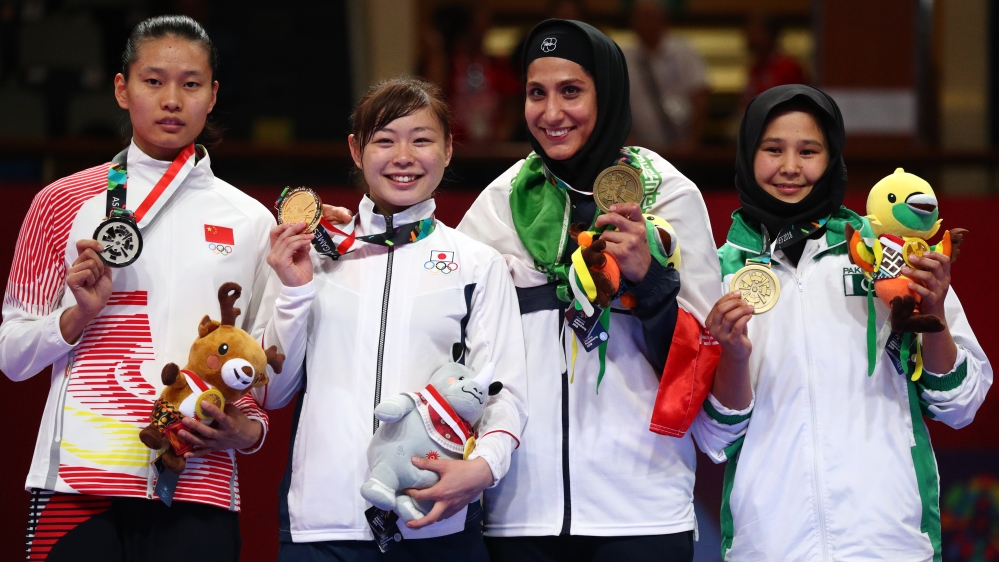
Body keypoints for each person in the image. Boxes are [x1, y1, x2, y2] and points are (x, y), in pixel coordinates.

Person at [0, 15, 275, 561]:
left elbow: (259, 376)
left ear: (213, 96)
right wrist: (76, 317)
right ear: (122, 89)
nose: (172, 99)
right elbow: (11, 356)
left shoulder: (250, 221)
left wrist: (249, 432)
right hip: (78, 480)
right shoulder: (61, 203)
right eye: (154, 81)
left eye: (191, 84)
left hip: (199, 483)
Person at [456, 18, 721, 562]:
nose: (551, 112)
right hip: (521, 510)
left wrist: (651, 283)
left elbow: (704, 362)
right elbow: (456, 342)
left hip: (643, 507)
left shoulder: (669, 195)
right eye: (537, 93)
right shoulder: (501, 201)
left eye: (571, 91)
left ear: (608, 92)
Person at [692, 84, 993, 561]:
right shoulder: (718, 273)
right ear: (748, 155)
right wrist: (733, 355)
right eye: (773, 149)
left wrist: (934, 310)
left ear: (832, 158)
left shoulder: (890, 256)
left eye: (809, 151)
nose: (790, 167)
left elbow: (961, 404)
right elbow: (713, 437)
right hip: (770, 546)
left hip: (888, 542)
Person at [259, 76, 528, 562]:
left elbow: (503, 390)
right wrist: (295, 290)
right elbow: (272, 392)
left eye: (421, 140)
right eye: (384, 140)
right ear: (356, 150)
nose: (403, 156)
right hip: (323, 527)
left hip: (435, 521)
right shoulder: (312, 256)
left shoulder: (476, 264)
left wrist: (484, 468)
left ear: (448, 149)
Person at [623, 0, 709, 149]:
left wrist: (691, 141)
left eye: (650, 17)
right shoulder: (625, 57)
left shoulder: (683, 51)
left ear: (663, 20)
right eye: (640, 18)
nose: (645, 24)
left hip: (683, 148)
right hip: (640, 150)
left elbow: (700, 96)